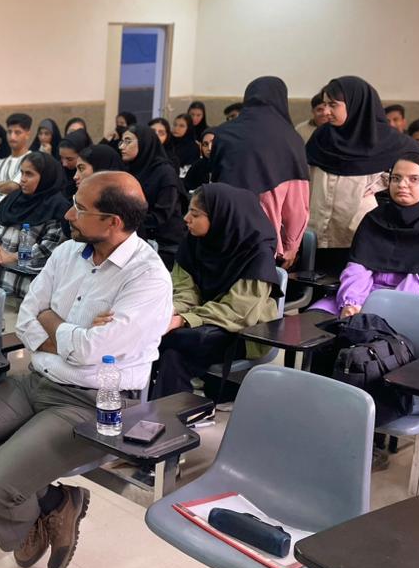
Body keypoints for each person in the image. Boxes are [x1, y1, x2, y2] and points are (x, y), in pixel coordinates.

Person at [0, 172, 172, 568]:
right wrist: (75, 333)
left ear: (112, 222)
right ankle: (54, 504)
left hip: (94, 404)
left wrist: (54, 323)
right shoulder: (66, 254)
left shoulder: (147, 278)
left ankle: (21, 508)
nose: (68, 214)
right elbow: (27, 318)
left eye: (80, 208)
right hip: (36, 381)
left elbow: (93, 351)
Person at [150, 184, 280, 400]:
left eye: (195, 214)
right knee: (172, 352)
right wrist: (170, 310)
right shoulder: (193, 242)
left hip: (244, 330)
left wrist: (183, 320)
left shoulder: (257, 255)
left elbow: (238, 311)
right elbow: (184, 290)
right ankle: (171, 413)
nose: (186, 219)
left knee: (169, 342)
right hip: (199, 326)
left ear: (222, 216)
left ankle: (160, 412)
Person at [306, 76, 419, 272]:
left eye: (333, 105)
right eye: (324, 105)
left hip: (361, 237)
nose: (326, 111)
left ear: (356, 104)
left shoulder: (388, 141)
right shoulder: (321, 137)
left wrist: (386, 183)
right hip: (318, 233)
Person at [311, 151, 419, 317]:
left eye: (414, 179)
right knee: (311, 321)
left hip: (411, 308)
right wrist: (351, 303)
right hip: (361, 297)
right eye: (395, 178)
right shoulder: (376, 218)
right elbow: (358, 267)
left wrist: (376, 310)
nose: (402, 184)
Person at [211, 76, 311, 268]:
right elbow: (296, 205)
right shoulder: (291, 140)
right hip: (263, 241)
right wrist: (291, 247)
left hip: (221, 232)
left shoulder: (223, 133)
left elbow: (213, 184)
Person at [0, 152, 71, 296]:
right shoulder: (13, 198)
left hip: (22, 289)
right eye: (21, 173)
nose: (22, 179)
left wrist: (13, 257)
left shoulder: (57, 208)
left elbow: (47, 249)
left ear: (45, 177)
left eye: (29, 174)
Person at [119, 125, 187, 267]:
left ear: (144, 143)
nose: (122, 147)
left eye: (128, 141)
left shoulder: (165, 173)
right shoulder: (130, 170)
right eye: (122, 141)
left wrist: (124, 222)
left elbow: (162, 215)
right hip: (134, 236)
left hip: (164, 244)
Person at [0, 113, 33, 200]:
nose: (12, 136)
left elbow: (13, 187)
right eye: (9, 132)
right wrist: (9, 183)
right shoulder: (0, 162)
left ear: (27, 134)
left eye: (17, 132)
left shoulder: (32, 160)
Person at [183, 127, 216, 191]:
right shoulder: (197, 166)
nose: (209, 148)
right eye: (205, 144)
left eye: (213, 143)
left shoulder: (227, 167)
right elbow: (186, 189)